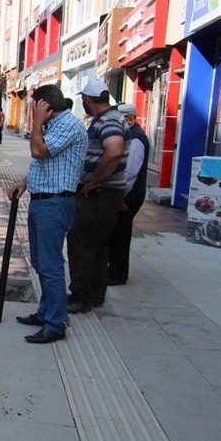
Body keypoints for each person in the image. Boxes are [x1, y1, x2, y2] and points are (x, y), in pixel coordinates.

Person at [8, 84, 88, 343]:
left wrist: (37, 122)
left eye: (35, 105)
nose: (32, 110)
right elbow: (46, 164)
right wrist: (25, 181)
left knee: (51, 266)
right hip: (42, 201)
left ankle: (56, 324)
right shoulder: (53, 126)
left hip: (54, 204)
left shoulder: (67, 125)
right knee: (41, 263)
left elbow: (38, 151)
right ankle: (45, 312)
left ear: (45, 105)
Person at [67, 76, 129, 314]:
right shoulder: (106, 118)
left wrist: (95, 181)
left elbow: (114, 151)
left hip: (101, 193)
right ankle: (94, 294)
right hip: (108, 192)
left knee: (80, 240)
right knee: (97, 243)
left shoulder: (110, 120)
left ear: (88, 100)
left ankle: (81, 296)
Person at [106, 103, 149, 286]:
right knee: (115, 233)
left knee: (120, 235)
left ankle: (117, 273)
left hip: (129, 196)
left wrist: (121, 197)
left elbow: (130, 172)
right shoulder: (128, 135)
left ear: (130, 119)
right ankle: (114, 270)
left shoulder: (136, 138)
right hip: (125, 194)